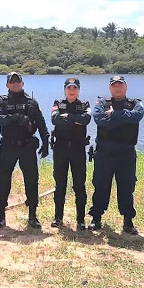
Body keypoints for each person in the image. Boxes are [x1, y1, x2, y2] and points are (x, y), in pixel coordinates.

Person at [0, 71, 49, 229]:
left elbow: (41, 122)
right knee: (4, 180)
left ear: (22, 84)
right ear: (7, 85)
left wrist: (46, 142)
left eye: (18, 81)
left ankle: (32, 215)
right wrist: (16, 117)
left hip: (27, 146)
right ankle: (1, 216)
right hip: (8, 146)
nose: (16, 84)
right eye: (13, 81)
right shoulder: (2, 101)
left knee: (31, 180)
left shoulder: (31, 102)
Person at [88, 75, 144, 234]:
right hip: (104, 152)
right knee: (100, 185)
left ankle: (128, 221)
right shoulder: (101, 103)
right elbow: (99, 119)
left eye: (120, 85)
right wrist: (124, 117)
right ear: (110, 88)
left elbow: (137, 116)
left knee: (127, 186)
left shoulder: (135, 103)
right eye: (114, 85)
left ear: (126, 87)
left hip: (126, 153)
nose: (117, 87)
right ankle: (96, 218)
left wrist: (115, 114)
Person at [50, 77, 91, 230]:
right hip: (60, 148)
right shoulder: (58, 104)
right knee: (60, 184)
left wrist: (67, 117)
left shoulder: (84, 105)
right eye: (69, 88)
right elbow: (55, 120)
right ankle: (58, 217)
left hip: (78, 149)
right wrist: (75, 120)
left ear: (78, 90)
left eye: (74, 88)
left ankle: (80, 220)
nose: (72, 91)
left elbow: (86, 119)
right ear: (65, 90)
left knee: (79, 184)